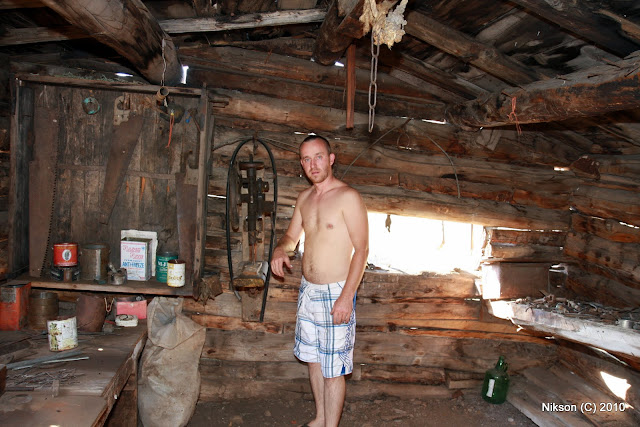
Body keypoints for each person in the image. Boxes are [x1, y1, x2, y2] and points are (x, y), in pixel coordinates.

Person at [270, 135, 369, 427]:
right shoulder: (304, 198)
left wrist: (346, 297)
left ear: (331, 159)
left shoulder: (348, 197)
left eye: (318, 157)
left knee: (333, 367)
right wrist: (280, 249)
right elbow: (291, 237)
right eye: (306, 159)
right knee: (314, 358)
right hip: (308, 291)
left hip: (336, 291)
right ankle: (320, 419)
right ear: (301, 163)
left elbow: (362, 250)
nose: (313, 165)